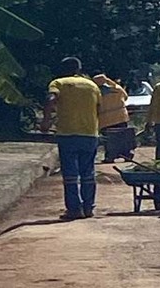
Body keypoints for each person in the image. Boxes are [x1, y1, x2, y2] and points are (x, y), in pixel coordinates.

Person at [41, 57, 102, 221]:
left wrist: (46, 120)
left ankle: (74, 209)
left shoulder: (58, 83)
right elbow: (99, 108)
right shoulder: (92, 85)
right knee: (88, 172)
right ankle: (88, 207)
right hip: (89, 134)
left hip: (67, 134)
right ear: (79, 69)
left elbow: (51, 99)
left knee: (70, 174)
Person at [93, 74, 133, 163]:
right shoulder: (118, 89)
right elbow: (125, 97)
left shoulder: (96, 92)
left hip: (105, 120)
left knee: (109, 140)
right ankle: (127, 154)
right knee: (123, 137)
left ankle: (110, 156)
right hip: (121, 117)